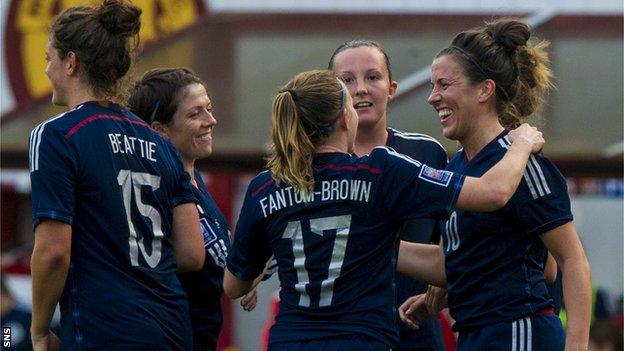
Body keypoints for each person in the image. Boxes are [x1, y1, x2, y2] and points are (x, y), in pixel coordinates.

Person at [222, 69, 545, 350]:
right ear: (343, 118)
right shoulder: (381, 171)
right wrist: (522, 143)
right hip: (361, 341)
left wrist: (262, 264)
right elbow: (494, 192)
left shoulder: (264, 186)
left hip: (289, 341)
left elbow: (233, 286)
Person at [398, 19, 592, 351]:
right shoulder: (457, 166)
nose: (432, 97)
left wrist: (576, 346)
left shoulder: (522, 162)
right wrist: (370, 240)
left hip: (518, 331)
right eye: (432, 85)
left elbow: (569, 261)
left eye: (444, 84)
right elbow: (457, 259)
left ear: (485, 90)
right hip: (476, 334)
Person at [28, 2, 205, 350]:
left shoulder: (57, 135)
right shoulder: (161, 143)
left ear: (71, 62)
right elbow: (190, 255)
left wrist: (38, 330)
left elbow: (53, 253)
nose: (47, 69)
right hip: (172, 330)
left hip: (104, 329)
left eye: (49, 58)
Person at [328, 39, 447, 351]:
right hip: (344, 329)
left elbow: (453, 232)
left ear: (392, 88)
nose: (361, 89)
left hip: (415, 325)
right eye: (347, 80)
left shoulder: (426, 153)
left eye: (372, 77)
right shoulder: (317, 165)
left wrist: (442, 283)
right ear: (329, 92)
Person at [127, 67, 257, 351]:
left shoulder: (194, 178)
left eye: (208, 109)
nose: (211, 120)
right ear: (159, 131)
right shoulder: (153, 193)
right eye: (194, 114)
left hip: (202, 341)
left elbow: (216, 257)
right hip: (168, 342)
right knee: (6, 342)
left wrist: (250, 272)